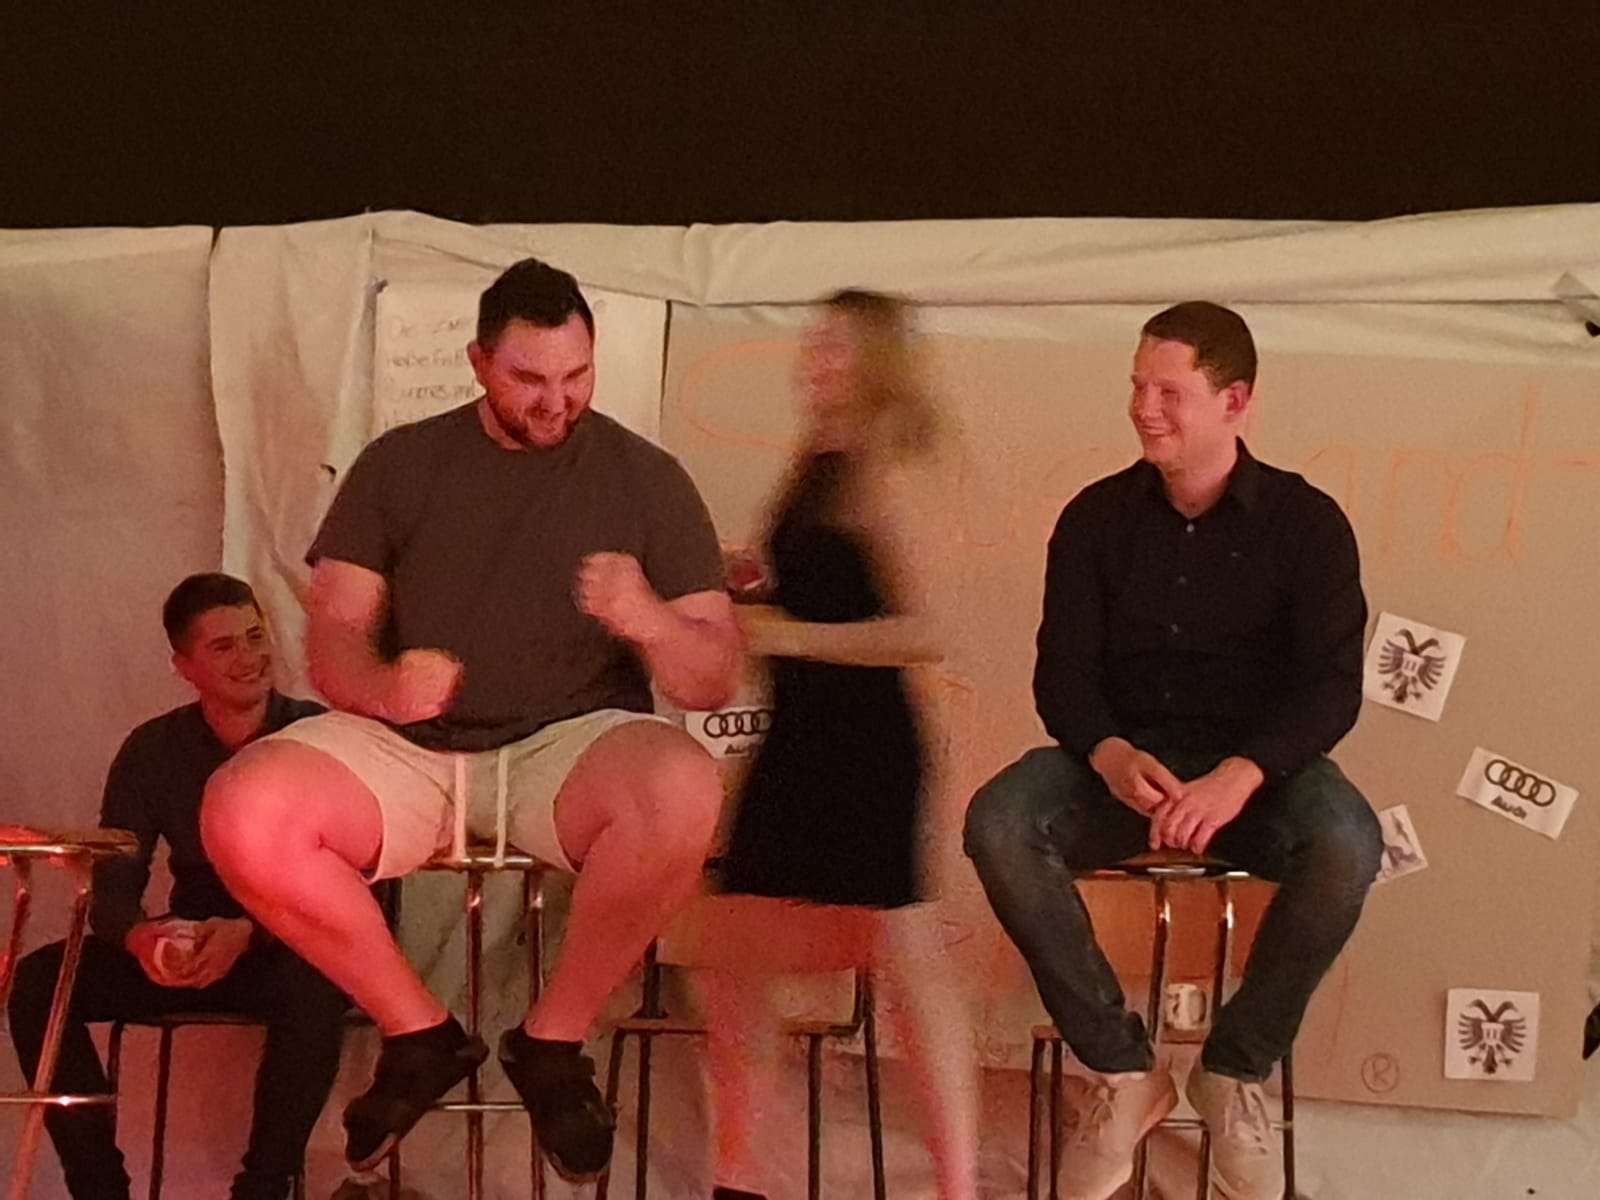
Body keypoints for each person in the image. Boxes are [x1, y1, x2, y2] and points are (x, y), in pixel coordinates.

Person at [199, 258, 740, 1183]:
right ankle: (418, 1033)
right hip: (410, 747)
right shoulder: (401, 462)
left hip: (569, 749)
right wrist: (384, 686)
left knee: (685, 787)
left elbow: (712, 678)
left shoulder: (647, 478)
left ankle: (553, 1043)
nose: (555, 401)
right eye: (529, 378)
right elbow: (332, 640)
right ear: (479, 362)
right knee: (241, 808)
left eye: (576, 376)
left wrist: (646, 616)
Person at [963, 302, 1383, 1200]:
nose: (1143, 408)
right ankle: (1122, 1070)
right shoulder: (1094, 518)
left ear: (1235, 401)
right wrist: (1109, 753)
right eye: (1136, 387)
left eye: (1168, 392)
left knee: (1349, 841)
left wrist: (1243, 773)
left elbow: (1332, 688)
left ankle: (1235, 1069)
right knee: (999, 819)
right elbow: (1061, 675)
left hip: (1258, 780)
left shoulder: (1308, 524)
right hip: (1123, 774)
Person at [699, 290, 977, 1200]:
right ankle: (743, 1170)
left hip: (868, 744)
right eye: (814, 345)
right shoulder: (816, 453)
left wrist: (786, 634)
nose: (814, 361)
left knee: (910, 965)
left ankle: (959, 1186)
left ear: (879, 360)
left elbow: (925, 629)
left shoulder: (890, 456)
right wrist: (751, 584)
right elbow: (825, 584)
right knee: (731, 952)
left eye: (837, 348)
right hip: (796, 733)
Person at [7, 573, 344, 1200]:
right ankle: (98, 1188)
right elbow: (113, 887)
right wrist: (143, 938)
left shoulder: (321, 737)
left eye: (255, 636)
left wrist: (250, 932)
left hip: (290, 941)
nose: (249, 657)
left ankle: (263, 1189)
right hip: (192, 939)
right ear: (184, 666)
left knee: (320, 979)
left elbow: (364, 888)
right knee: (37, 983)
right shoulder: (153, 749)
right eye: (223, 646)